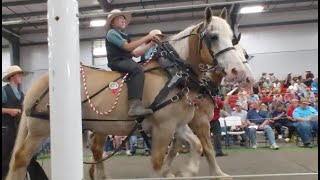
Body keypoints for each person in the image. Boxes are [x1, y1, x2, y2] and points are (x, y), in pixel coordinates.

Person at [105, 9, 161, 117]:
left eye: (124, 19)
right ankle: (134, 106)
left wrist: (150, 44)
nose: (123, 20)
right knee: (137, 70)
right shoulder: (111, 33)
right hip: (117, 61)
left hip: (126, 60)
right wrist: (148, 37)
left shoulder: (123, 36)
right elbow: (128, 47)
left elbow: (135, 53)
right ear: (112, 22)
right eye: (120, 18)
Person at [2, 65, 48, 180]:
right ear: (12, 76)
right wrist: (9, 111)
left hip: (19, 129)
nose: (22, 76)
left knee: (29, 156)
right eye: (19, 74)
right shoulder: (4, 91)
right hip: (7, 130)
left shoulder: (21, 94)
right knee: (5, 158)